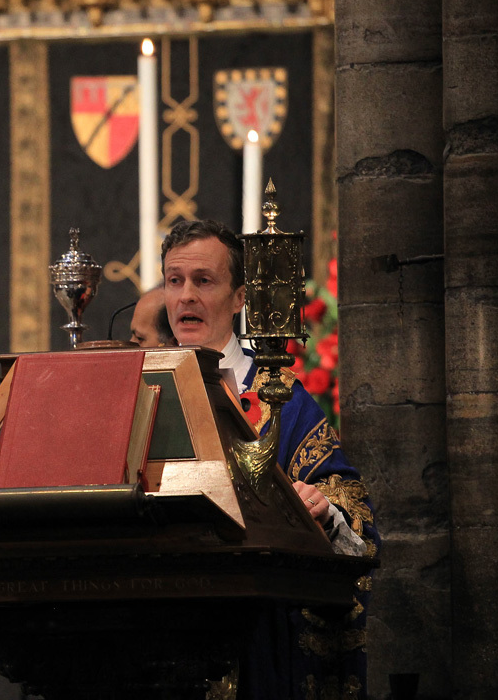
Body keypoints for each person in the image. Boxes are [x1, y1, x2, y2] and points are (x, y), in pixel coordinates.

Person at [160, 218, 377, 698]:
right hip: (160, 637)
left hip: (256, 646)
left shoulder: (280, 399)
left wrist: (324, 511)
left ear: (240, 298)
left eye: (204, 281)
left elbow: (360, 527)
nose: (186, 296)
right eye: (175, 281)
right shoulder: (141, 390)